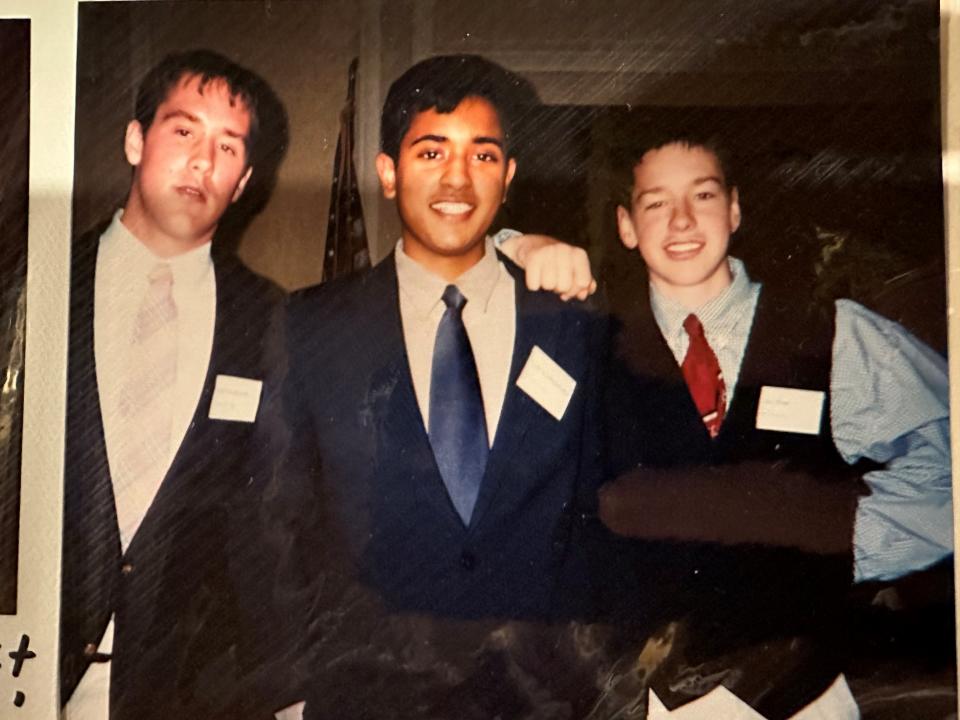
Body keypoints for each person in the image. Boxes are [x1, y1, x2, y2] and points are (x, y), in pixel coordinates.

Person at [266, 53, 604, 716]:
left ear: (508, 175)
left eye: (482, 156)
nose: (458, 179)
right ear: (388, 174)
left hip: (539, 699)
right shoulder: (309, 325)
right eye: (430, 153)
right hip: (368, 696)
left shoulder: (569, 323)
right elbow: (276, 523)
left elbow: (604, 513)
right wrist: (288, 687)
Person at [598, 134, 952, 718]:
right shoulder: (594, 354)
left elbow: (949, 467)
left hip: (804, 695)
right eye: (656, 202)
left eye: (703, 195)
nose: (682, 220)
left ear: (734, 209)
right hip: (652, 700)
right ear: (627, 225)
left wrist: (847, 541)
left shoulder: (831, 333)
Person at [61, 50, 289, 720]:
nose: (202, 162)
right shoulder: (33, 286)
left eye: (227, 147)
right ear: (136, 139)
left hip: (184, 695)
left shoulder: (270, 321)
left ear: (243, 179)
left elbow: (272, 524)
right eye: (184, 131)